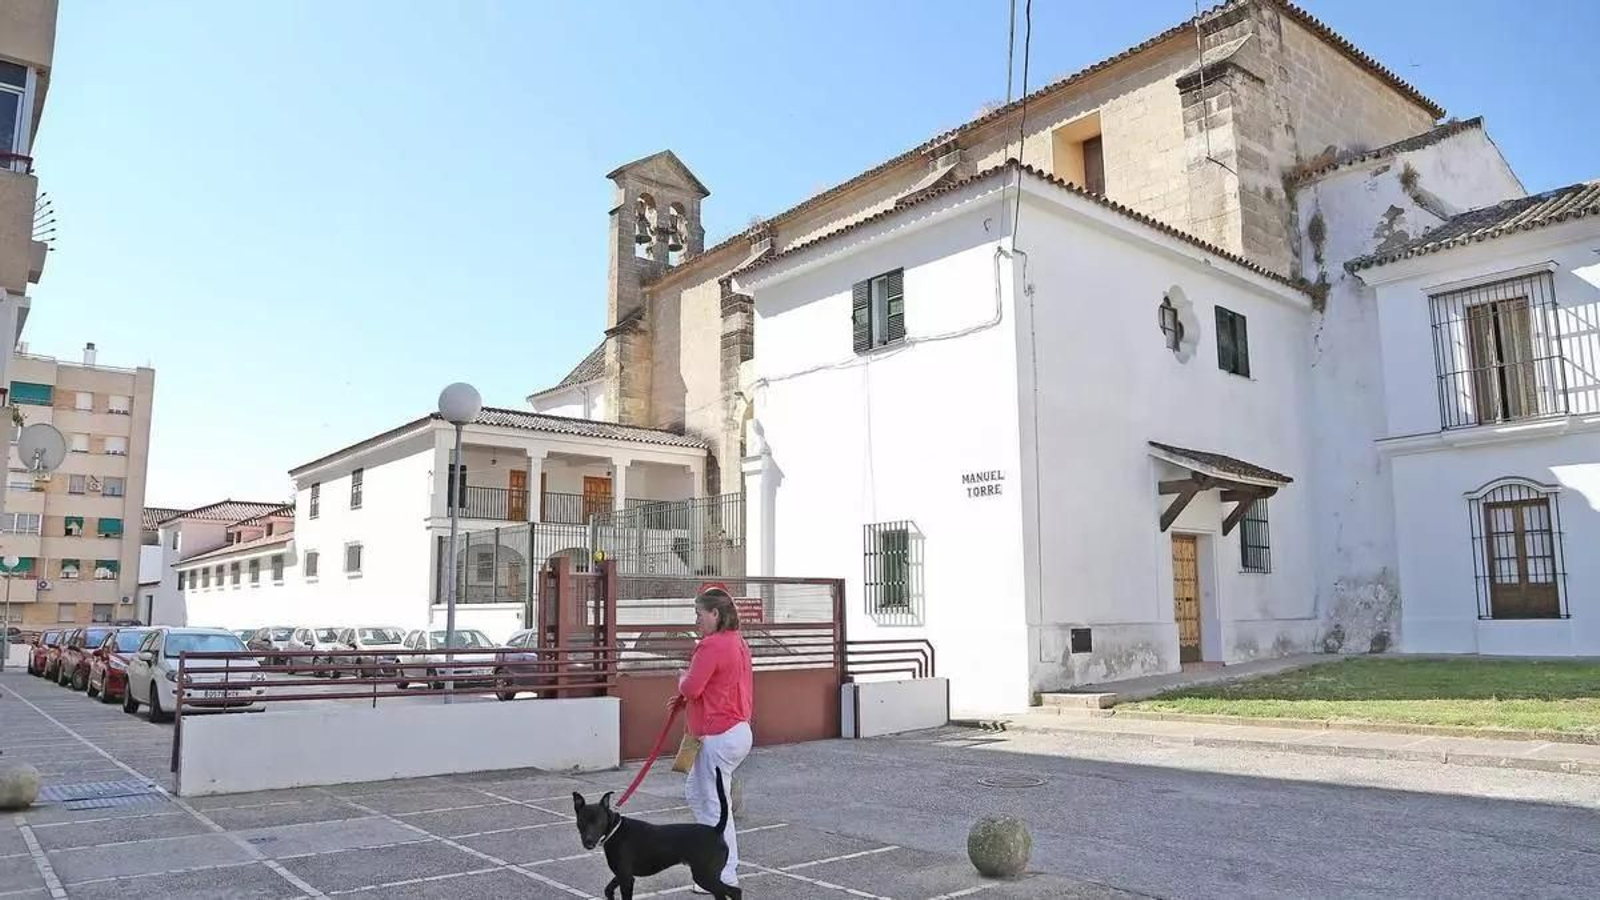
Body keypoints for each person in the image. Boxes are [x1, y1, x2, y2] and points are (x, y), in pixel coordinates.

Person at [673, 587, 754, 892]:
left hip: (718, 734)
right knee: (698, 794)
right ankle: (712, 863)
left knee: (714, 806)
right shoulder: (738, 643)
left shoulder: (711, 646)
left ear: (715, 614)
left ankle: (723, 873)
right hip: (735, 730)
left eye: (699, 614)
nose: (696, 620)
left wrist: (681, 679)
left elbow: (692, 687)